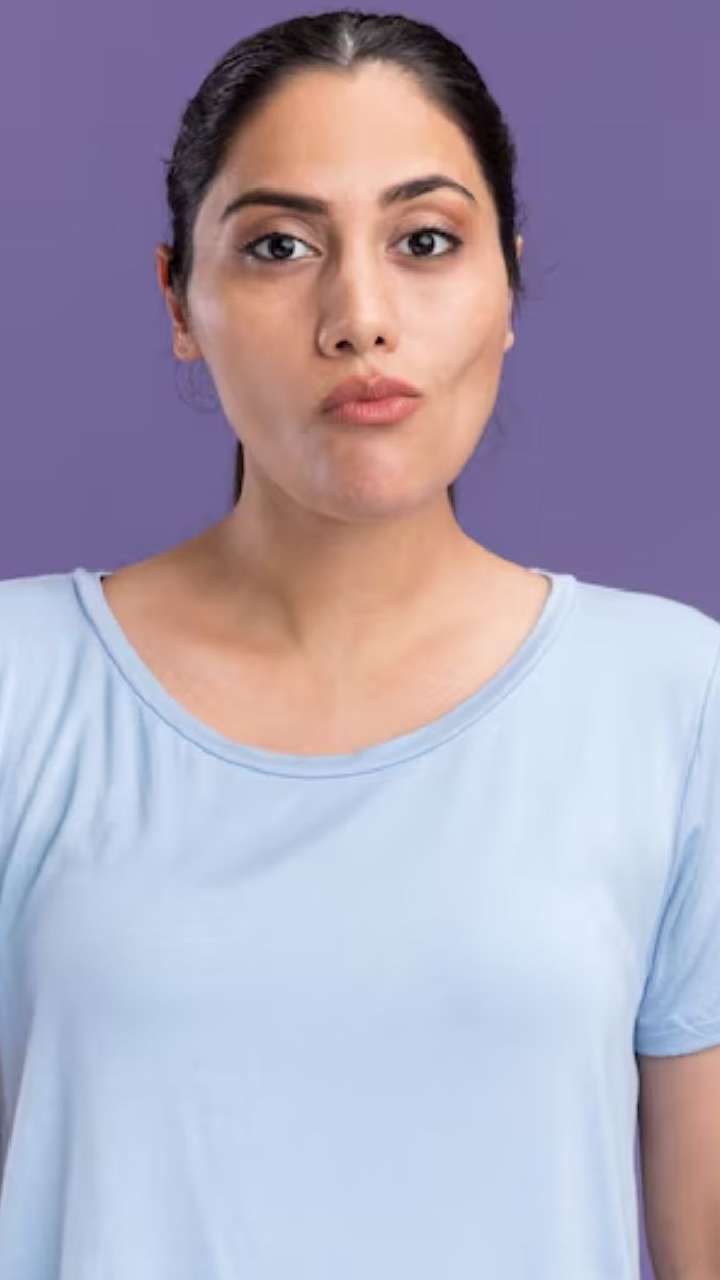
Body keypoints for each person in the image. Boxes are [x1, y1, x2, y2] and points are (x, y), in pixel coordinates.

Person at [1, 11, 719, 1280]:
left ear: (508, 285)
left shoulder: (674, 698)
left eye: (425, 240)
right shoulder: (20, 681)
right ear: (179, 299)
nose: (359, 318)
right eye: (279, 246)